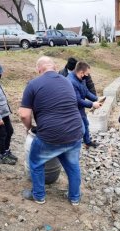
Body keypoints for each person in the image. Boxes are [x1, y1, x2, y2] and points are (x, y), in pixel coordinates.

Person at [18, 56, 84, 206]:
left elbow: (23, 114)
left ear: (39, 70)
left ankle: (39, 196)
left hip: (50, 135)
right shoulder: (67, 81)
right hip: (75, 132)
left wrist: (29, 128)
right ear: (55, 67)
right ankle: (74, 198)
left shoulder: (33, 84)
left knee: (35, 163)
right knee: (73, 166)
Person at [68, 61, 102, 149]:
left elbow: (86, 91)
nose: (87, 76)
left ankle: (87, 142)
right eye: (87, 74)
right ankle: (74, 146)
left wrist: (96, 99)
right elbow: (78, 100)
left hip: (80, 108)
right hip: (73, 109)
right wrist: (92, 104)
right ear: (81, 72)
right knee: (80, 128)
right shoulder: (71, 82)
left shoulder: (81, 79)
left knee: (85, 124)